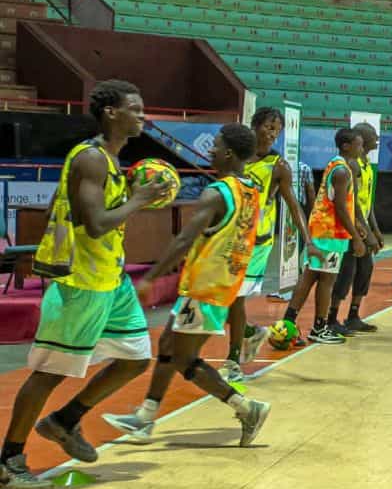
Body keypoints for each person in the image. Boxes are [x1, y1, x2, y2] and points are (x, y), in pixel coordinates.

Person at [1, 80, 165, 489]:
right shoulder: (91, 159)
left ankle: (65, 420)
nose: (143, 116)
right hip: (82, 283)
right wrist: (140, 199)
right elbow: (95, 224)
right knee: (49, 372)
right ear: (111, 112)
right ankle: (8, 461)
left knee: (134, 358)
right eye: (136, 108)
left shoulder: (108, 160)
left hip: (111, 279)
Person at [100, 124, 272, 446]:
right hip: (221, 284)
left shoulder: (216, 193)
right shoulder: (250, 188)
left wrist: (151, 277)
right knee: (168, 346)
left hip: (205, 289)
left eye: (216, 146)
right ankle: (146, 418)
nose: (211, 150)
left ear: (229, 153)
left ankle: (247, 409)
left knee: (183, 358)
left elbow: (184, 239)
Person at [226, 108, 319, 381]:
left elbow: (294, 205)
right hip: (230, 235)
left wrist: (309, 241)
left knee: (235, 298)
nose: (272, 133)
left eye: (276, 129)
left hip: (257, 240)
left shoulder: (279, 166)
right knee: (223, 301)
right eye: (268, 126)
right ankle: (250, 332)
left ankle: (232, 362)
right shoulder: (236, 157)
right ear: (254, 126)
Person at [280, 128, 365, 346]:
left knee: (309, 277)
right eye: (359, 144)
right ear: (346, 146)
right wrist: (355, 236)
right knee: (326, 281)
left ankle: (287, 323)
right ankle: (319, 327)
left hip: (321, 228)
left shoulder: (335, 165)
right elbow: (340, 208)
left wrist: (356, 226)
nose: (361, 148)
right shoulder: (342, 171)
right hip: (330, 232)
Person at [326, 123, 383, 335]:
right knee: (346, 273)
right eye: (374, 136)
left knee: (365, 270)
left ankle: (353, 315)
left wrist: (375, 230)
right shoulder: (351, 165)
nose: (377, 139)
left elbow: (367, 202)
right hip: (350, 225)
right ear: (362, 138)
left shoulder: (367, 165)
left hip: (363, 224)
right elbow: (353, 204)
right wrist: (365, 232)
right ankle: (331, 318)